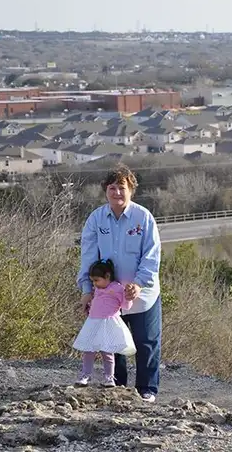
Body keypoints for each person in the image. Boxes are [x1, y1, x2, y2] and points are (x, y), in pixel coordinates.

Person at [77, 164, 162, 403]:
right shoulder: (96, 219)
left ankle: (148, 389)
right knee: (112, 343)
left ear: (131, 189)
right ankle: (118, 385)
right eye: (112, 188)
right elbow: (88, 256)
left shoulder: (143, 217)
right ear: (106, 190)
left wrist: (139, 283)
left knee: (146, 342)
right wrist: (87, 289)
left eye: (122, 188)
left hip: (142, 295)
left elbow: (151, 255)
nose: (117, 193)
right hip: (108, 297)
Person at [73, 259, 136, 387]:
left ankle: (109, 378)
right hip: (94, 321)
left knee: (107, 351)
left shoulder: (117, 288)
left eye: (96, 280)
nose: (94, 284)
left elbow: (125, 305)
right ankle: (86, 375)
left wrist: (127, 295)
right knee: (88, 350)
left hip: (108, 322)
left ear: (107, 276)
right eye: (93, 281)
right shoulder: (97, 289)